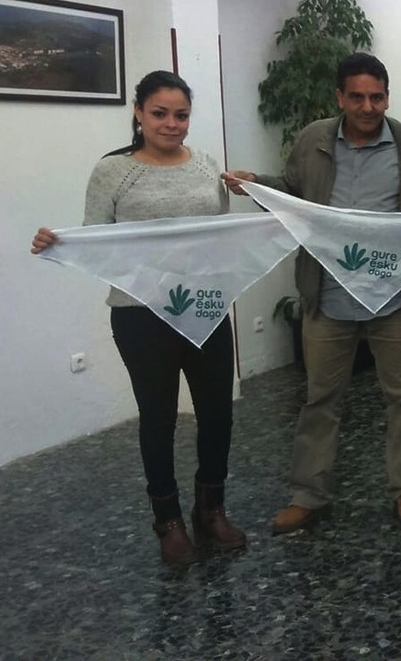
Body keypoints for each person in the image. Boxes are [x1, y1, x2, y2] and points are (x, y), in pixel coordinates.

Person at [223, 53, 401, 533]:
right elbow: (292, 190)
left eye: (376, 97)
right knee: (320, 398)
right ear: (340, 97)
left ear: (387, 97)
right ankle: (308, 496)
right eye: (356, 97)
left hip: (394, 297)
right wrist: (259, 185)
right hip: (327, 296)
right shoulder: (314, 141)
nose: (367, 107)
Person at [31, 71, 246, 565]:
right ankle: (167, 521)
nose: (172, 124)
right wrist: (59, 243)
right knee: (159, 416)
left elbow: (219, 234)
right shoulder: (113, 170)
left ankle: (211, 508)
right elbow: (97, 238)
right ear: (138, 113)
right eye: (160, 113)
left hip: (205, 306)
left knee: (218, 412)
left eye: (181, 115)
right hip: (140, 315)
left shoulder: (207, 165)